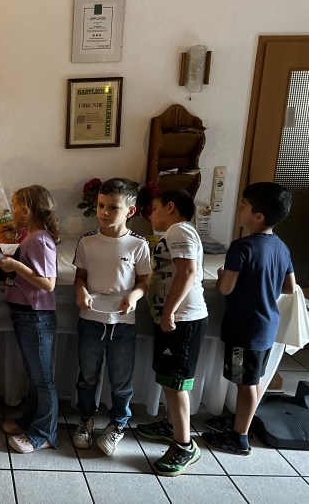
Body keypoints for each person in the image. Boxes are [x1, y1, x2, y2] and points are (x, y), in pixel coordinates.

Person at [201, 182, 295, 455]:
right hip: (266, 325)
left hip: (245, 328)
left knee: (246, 383)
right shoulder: (281, 247)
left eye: (243, 206)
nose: (238, 210)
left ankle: (239, 436)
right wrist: (262, 285)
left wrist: (222, 275)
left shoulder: (242, 247)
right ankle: (240, 422)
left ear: (259, 216)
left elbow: (225, 288)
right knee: (252, 379)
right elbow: (289, 287)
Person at [72, 178, 151, 455]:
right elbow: (80, 277)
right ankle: (85, 418)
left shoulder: (138, 245)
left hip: (123, 323)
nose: (104, 212)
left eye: (113, 207)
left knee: (121, 380)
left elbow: (144, 282)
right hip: (91, 319)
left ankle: (118, 423)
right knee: (87, 376)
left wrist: (134, 296)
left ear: (130, 211)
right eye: (101, 206)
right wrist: (81, 291)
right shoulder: (87, 242)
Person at [136, 189, 208, 476]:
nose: (151, 215)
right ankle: (171, 425)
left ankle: (185, 445)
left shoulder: (180, 229)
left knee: (177, 383)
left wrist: (169, 312)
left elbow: (188, 271)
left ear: (170, 207)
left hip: (183, 319)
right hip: (176, 318)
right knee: (168, 377)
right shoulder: (175, 232)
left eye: (154, 208)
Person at [0, 185, 60, 453]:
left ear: (27, 210)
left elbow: (48, 283)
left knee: (42, 378)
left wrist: (15, 266)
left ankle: (44, 434)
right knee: (34, 375)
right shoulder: (30, 237)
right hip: (26, 316)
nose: (12, 211)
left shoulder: (40, 240)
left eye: (15, 206)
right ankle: (31, 420)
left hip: (36, 318)